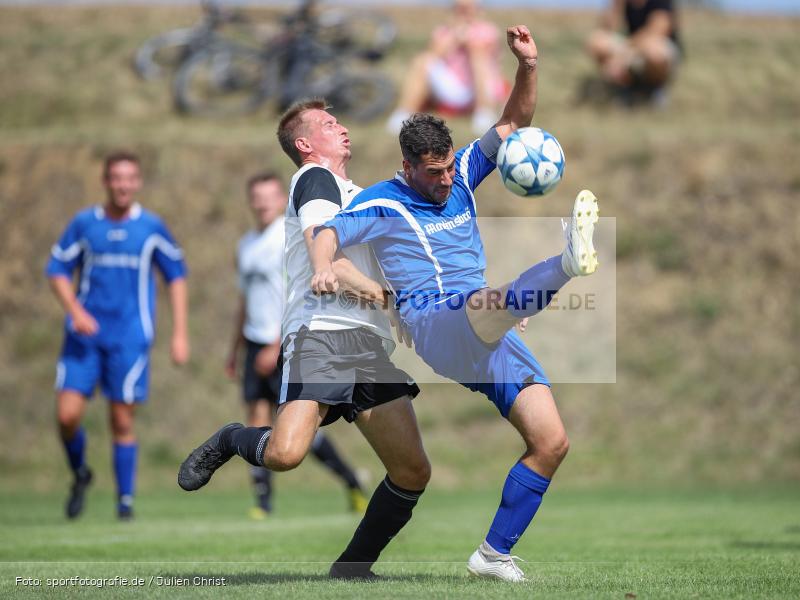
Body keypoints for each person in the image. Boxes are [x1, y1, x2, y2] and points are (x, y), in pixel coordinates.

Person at [310, 25, 600, 582]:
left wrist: (529, 65)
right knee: (486, 303)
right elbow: (328, 232)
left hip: (488, 324)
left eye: (448, 168)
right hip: (433, 322)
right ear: (408, 167)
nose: (446, 180)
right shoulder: (383, 202)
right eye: (434, 173)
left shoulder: (463, 171)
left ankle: (492, 555)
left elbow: (513, 122)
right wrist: (324, 265)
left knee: (551, 442)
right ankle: (564, 264)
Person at [179, 99, 431, 581]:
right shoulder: (315, 179)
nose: (342, 127)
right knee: (285, 454)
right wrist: (386, 299)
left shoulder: (361, 194)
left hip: (368, 344)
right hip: (322, 335)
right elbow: (326, 253)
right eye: (329, 124)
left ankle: (352, 569)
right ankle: (232, 438)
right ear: (305, 144)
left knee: (412, 471)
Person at [46, 151, 189, 521]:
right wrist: (75, 311)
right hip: (84, 338)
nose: (123, 185)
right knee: (66, 416)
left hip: (129, 338)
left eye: (129, 178)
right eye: (116, 178)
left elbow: (176, 276)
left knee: (122, 420)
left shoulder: (151, 227)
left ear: (137, 182)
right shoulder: (85, 223)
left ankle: (125, 503)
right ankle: (80, 473)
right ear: (106, 181)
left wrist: (179, 334)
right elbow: (57, 269)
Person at [226, 171, 368, 518]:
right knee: (256, 419)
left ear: (281, 200)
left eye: (269, 196)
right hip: (254, 342)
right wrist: (235, 348)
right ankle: (263, 502)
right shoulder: (246, 244)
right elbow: (245, 300)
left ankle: (350, 480)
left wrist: (276, 343)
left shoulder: (285, 238)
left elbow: (295, 293)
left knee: (297, 429)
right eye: (256, 197)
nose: (262, 203)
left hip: (283, 341)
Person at [386, 0, 509, 134]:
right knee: (422, 60)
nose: (464, 13)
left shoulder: (488, 30)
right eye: (460, 9)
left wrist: (467, 39)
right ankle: (403, 114)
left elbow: (488, 55)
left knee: (477, 56)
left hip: (482, 88)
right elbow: (433, 55)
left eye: (468, 9)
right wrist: (454, 36)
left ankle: (484, 113)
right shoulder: (443, 31)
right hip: (454, 87)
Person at [585, 0, 682, 102]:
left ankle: (654, 90)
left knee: (654, 52)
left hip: (661, 50)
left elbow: (657, 30)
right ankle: (624, 88)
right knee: (598, 41)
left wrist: (622, 57)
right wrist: (616, 5)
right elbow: (606, 29)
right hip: (632, 47)